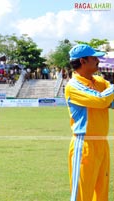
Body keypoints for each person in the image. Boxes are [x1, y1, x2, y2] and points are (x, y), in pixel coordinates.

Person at [65, 44, 114, 201]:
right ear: (83, 61)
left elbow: (110, 102)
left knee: (101, 194)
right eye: (94, 58)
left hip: (102, 143)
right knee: (82, 195)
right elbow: (101, 100)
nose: (97, 60)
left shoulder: (99, 81)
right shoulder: (73, 86)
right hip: (85, 144)